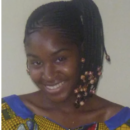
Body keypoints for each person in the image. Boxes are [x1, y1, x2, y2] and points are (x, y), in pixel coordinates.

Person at [2, 0, 130, 129]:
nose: (49, 75)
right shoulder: (6, 116)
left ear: (82, 52)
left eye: (60, 59)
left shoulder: (122, 124)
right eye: (37, 62)